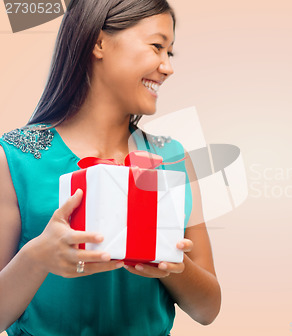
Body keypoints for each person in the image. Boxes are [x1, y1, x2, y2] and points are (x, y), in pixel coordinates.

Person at [0, 0, 221, 335]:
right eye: (157, 46)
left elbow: (208, 310)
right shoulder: (15, 157)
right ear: (99, 43)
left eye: (170, 53)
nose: (167, 67)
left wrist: (174, 265)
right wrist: (37, 257)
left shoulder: (173, 159)